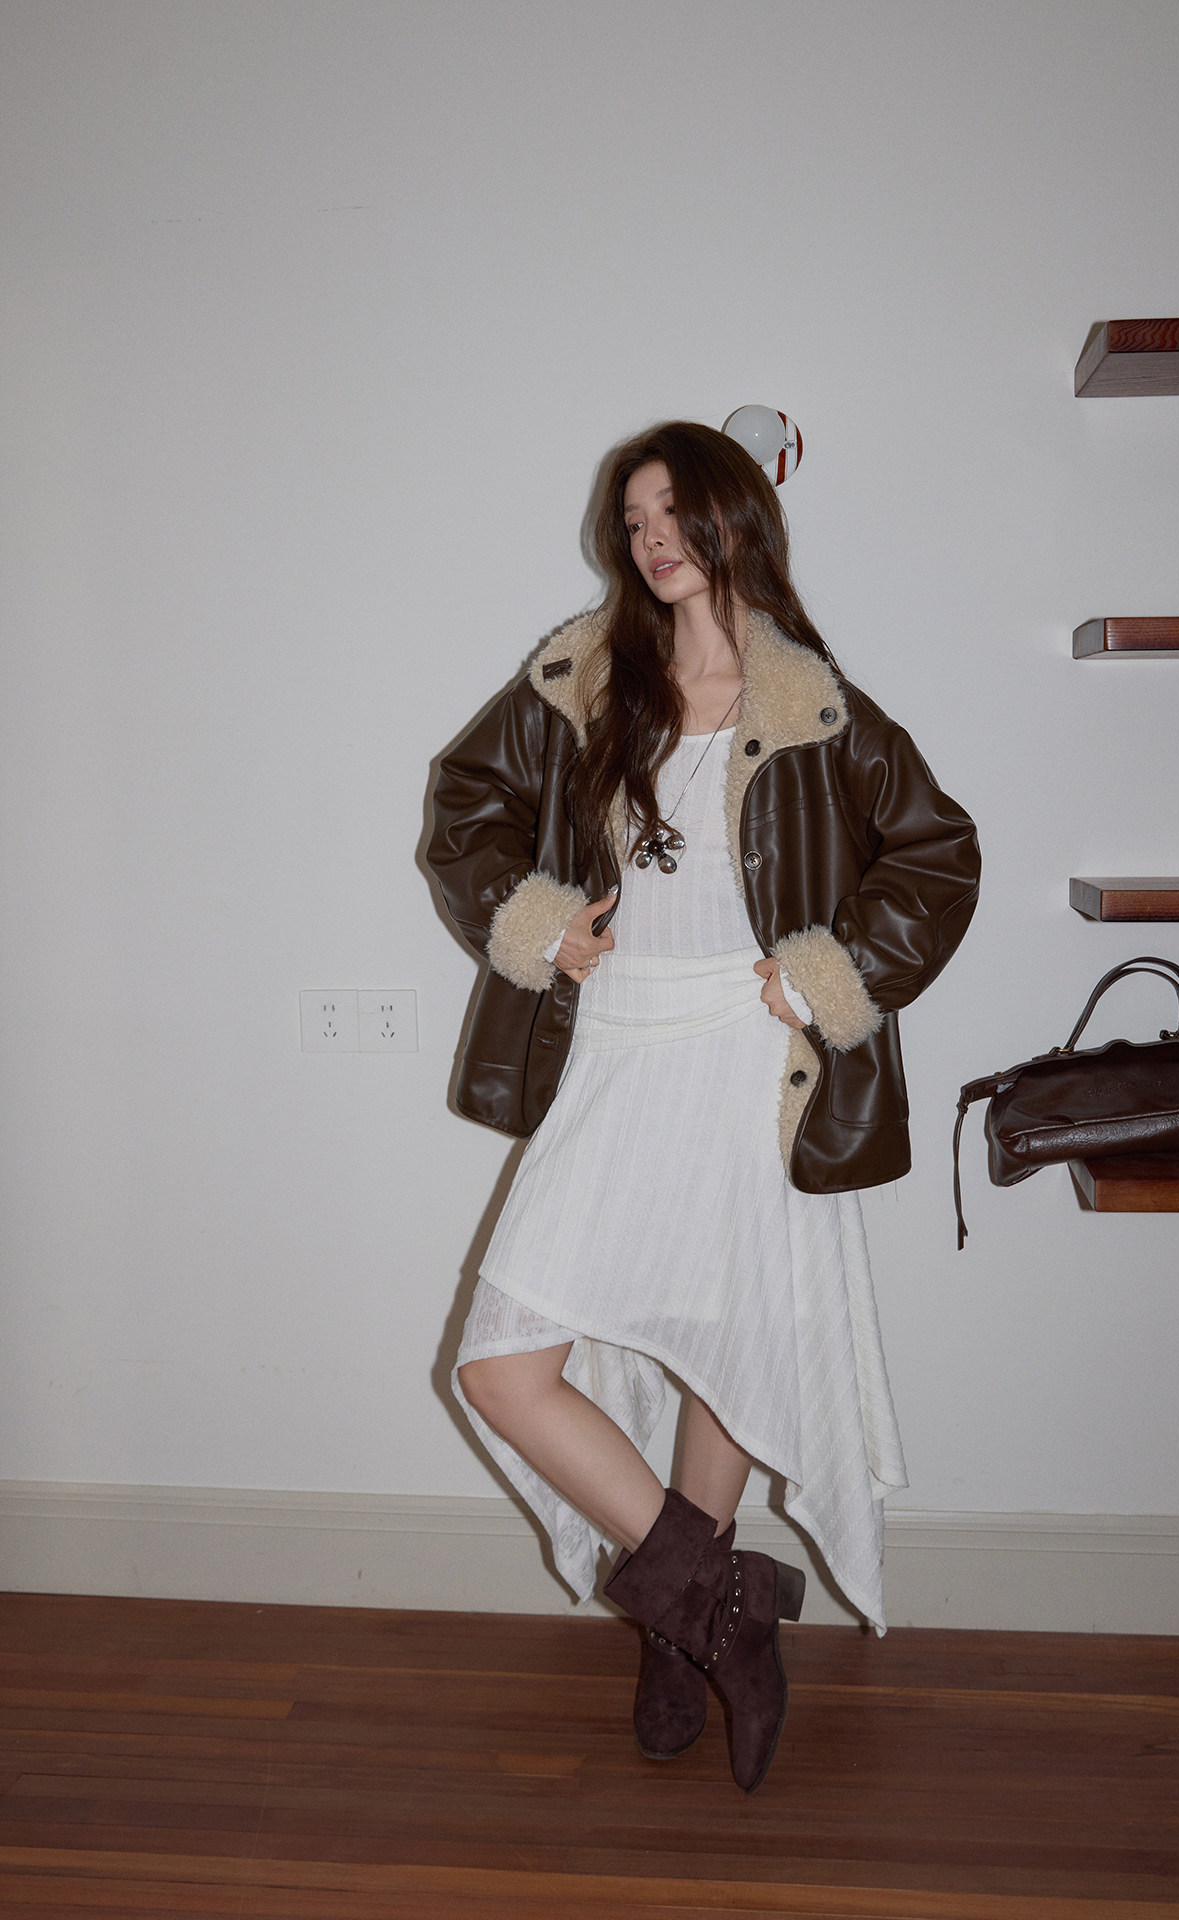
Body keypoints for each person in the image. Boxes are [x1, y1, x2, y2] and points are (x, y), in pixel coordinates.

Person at [427, 420, 979, 1792]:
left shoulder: (812, 703)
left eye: (674, 509)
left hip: (745, 1057)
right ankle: (724, 1606)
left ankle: (681, 1633)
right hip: (615, 1048)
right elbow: (465, 804)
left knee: (723, 1343)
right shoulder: (581, 676)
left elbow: (938, 855)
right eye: (633, 519)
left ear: (737, 518)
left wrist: (831, 976)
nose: (652, 537)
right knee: (501, 1365)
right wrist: (538, 924)